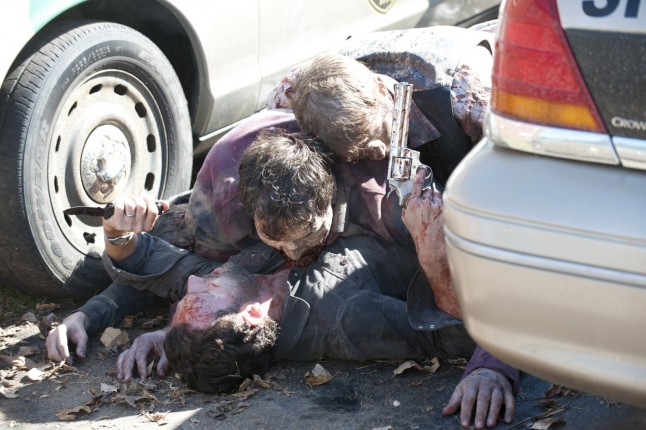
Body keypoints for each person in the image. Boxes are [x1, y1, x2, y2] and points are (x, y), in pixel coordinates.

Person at [48, 191, 516, 429]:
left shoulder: (237, 283)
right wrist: (491, 367)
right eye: (203, 296)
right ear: (253, 316)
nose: (193, 282)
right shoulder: (345, 320)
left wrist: (117, 233)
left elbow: (147, 261)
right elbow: (454, 335)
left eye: (187, 297)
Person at [268, 24, 496, 187]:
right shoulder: (295, 93)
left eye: (376, 133)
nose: (377, 153)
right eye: (364, 151)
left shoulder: (467, 95)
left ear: (380, 88)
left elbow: (508, 172)